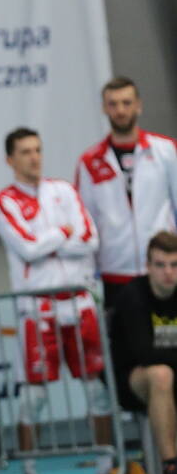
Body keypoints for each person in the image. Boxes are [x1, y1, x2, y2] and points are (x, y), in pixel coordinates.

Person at [0, 128, 113, 474]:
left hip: (79, 303)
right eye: (25, 152)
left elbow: (90, 239)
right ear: (10, 159)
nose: (34, 157)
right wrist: (63, 232)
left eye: (38, 150)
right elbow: (28, 249)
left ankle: (105, 472)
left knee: (96, 392)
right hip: (37, 309)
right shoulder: (5, 201)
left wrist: (52, 240)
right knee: (34, 399)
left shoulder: (64, 190)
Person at [75, 77, 177, 308]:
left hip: (162, 270)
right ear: (104, 108)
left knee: (167, 330)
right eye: (113, 104)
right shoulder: (89, 161)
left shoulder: (166, 151)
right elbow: (86, 224)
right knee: (123, 332)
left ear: (138, 105)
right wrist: (89, 275)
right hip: (115, 272)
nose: (120, 110)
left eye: (126, 103)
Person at [111, 230, 177, 474]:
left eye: (174, 265)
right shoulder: (133, 296)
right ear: (148, 266)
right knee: (161, 374)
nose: (168, 272)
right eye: (160, 265)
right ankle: (171, 467)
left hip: (171, 370)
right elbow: (145, 354)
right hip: (133, 380)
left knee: (166, 374)